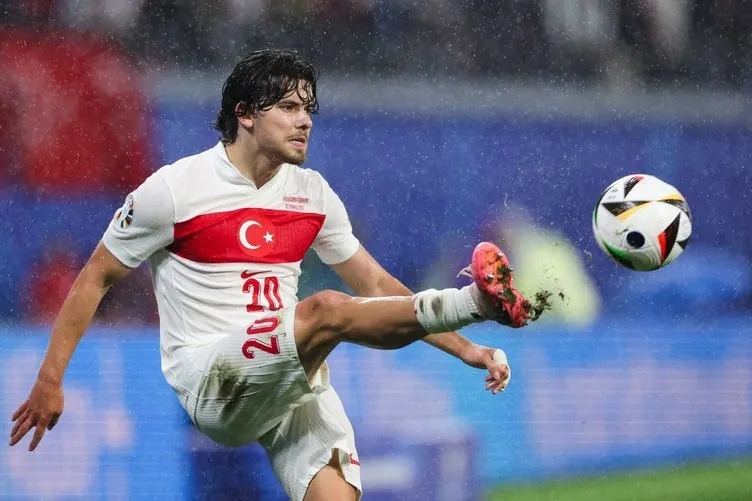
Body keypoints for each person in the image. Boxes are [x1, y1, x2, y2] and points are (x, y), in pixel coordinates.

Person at [8, 49, 533, 501]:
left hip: (289, 372)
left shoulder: (312, 194)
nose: (304, 121)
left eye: (308, 109)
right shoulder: (173, 190)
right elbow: (96, 277)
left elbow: (377, 287)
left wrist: (469, 350)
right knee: (326, 309)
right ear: (244, 114)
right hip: (214, 381)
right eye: (287, 107)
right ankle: (475, 302)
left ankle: (474, 310)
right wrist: (50, 380)